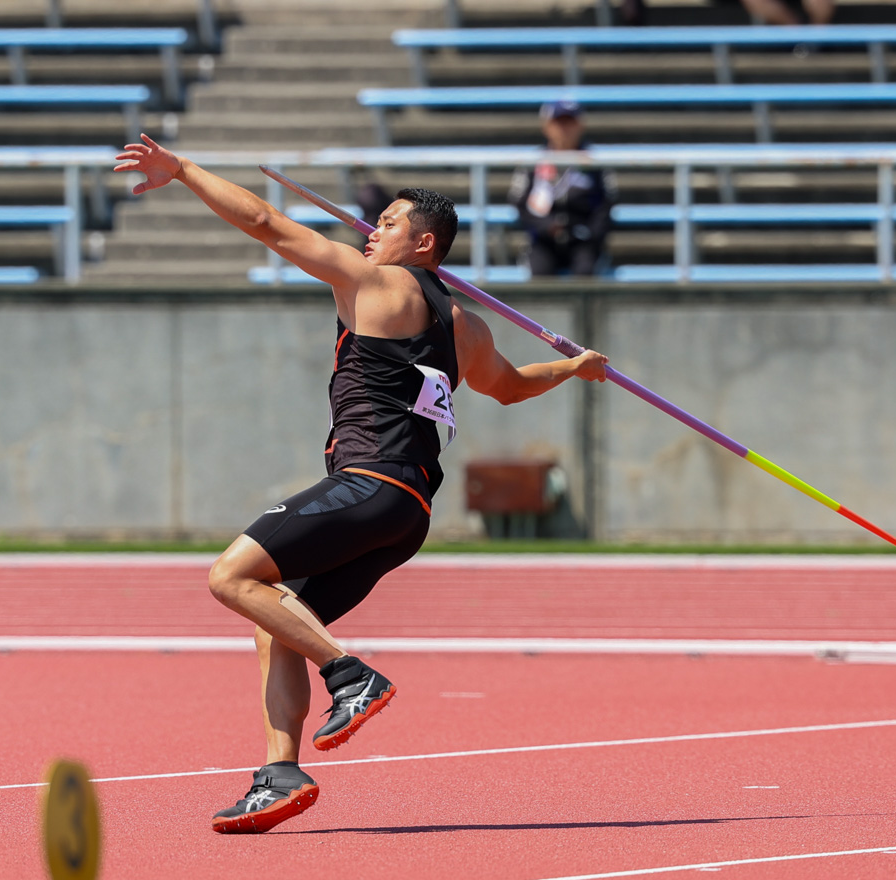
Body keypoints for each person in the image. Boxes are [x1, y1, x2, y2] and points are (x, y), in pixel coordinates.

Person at [113, 134, 609, 834]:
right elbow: (507, 388)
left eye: (390, 223)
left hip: (369, 482)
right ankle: (278, 773)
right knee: (276, 620)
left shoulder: (373, 283)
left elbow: (265, 224)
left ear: (426, 244)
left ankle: (350, 675)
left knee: (230, 578)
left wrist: (186, 169)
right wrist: (573, 368)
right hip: (406, 513)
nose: (373, 232)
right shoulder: (461, 322)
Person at [508, 100, 616, 278]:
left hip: (583, 239)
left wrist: (589, 233)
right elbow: (519, 202)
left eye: (570, 123)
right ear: (546, 126)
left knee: (586, 273)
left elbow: (606, 203)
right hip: (543, 239)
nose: (564, 129)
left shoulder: (596, 162)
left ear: (581, 126)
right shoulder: (532, 162)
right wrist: (547, 226)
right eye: (559, 123)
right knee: (540, 273)